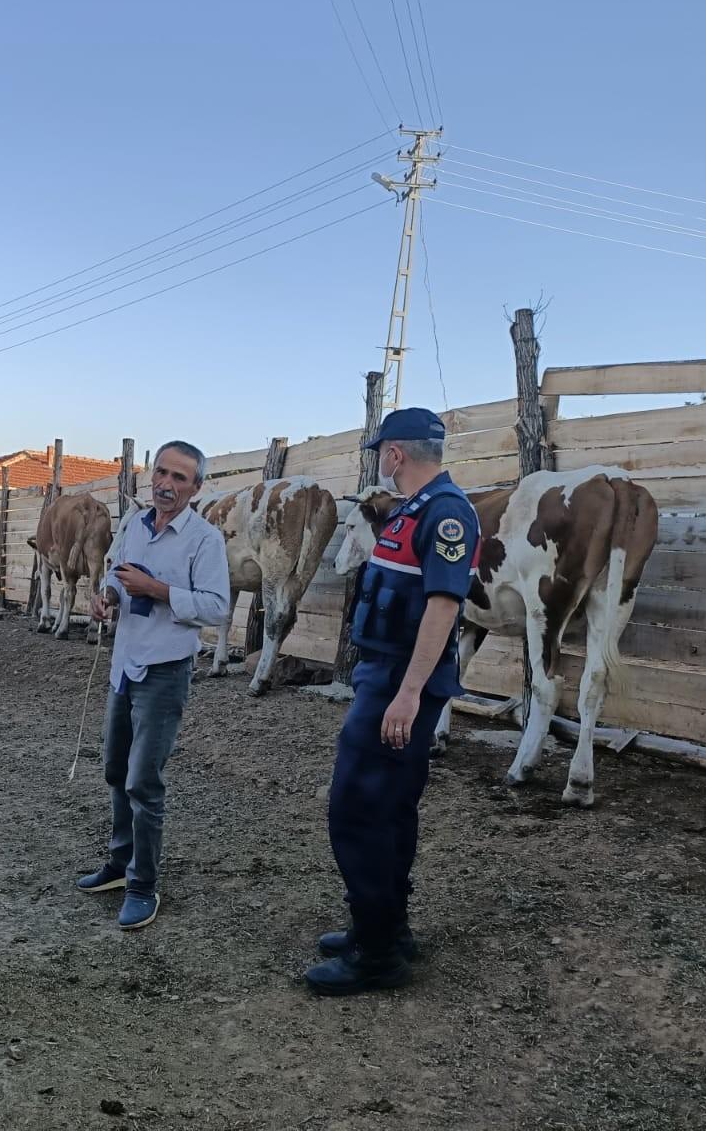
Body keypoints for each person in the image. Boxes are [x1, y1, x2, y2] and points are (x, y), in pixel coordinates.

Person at [305, 407, 479, 996]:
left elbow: (444, 607)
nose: (380, 460)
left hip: (399, 683)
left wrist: (406, 695)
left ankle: (375, 953)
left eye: (382, 451)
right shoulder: (414, 508)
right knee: (392, 806)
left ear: (395, 454)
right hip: (384, 675)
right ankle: (387, 930)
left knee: (356, 807)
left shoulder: (447, 513)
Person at [76, 441, 230, 931]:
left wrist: (158, 592)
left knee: (144, 780)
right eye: (161, 473)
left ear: (196, 487)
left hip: (165, 671)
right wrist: (106, 597)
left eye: (179, 478)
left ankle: (144, 885)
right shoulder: (132, 525)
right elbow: (116, 577)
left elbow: (217, 607)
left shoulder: (205, 540)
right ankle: (121, 866)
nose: (166, 484)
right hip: (125, 664)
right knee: (114, 768)